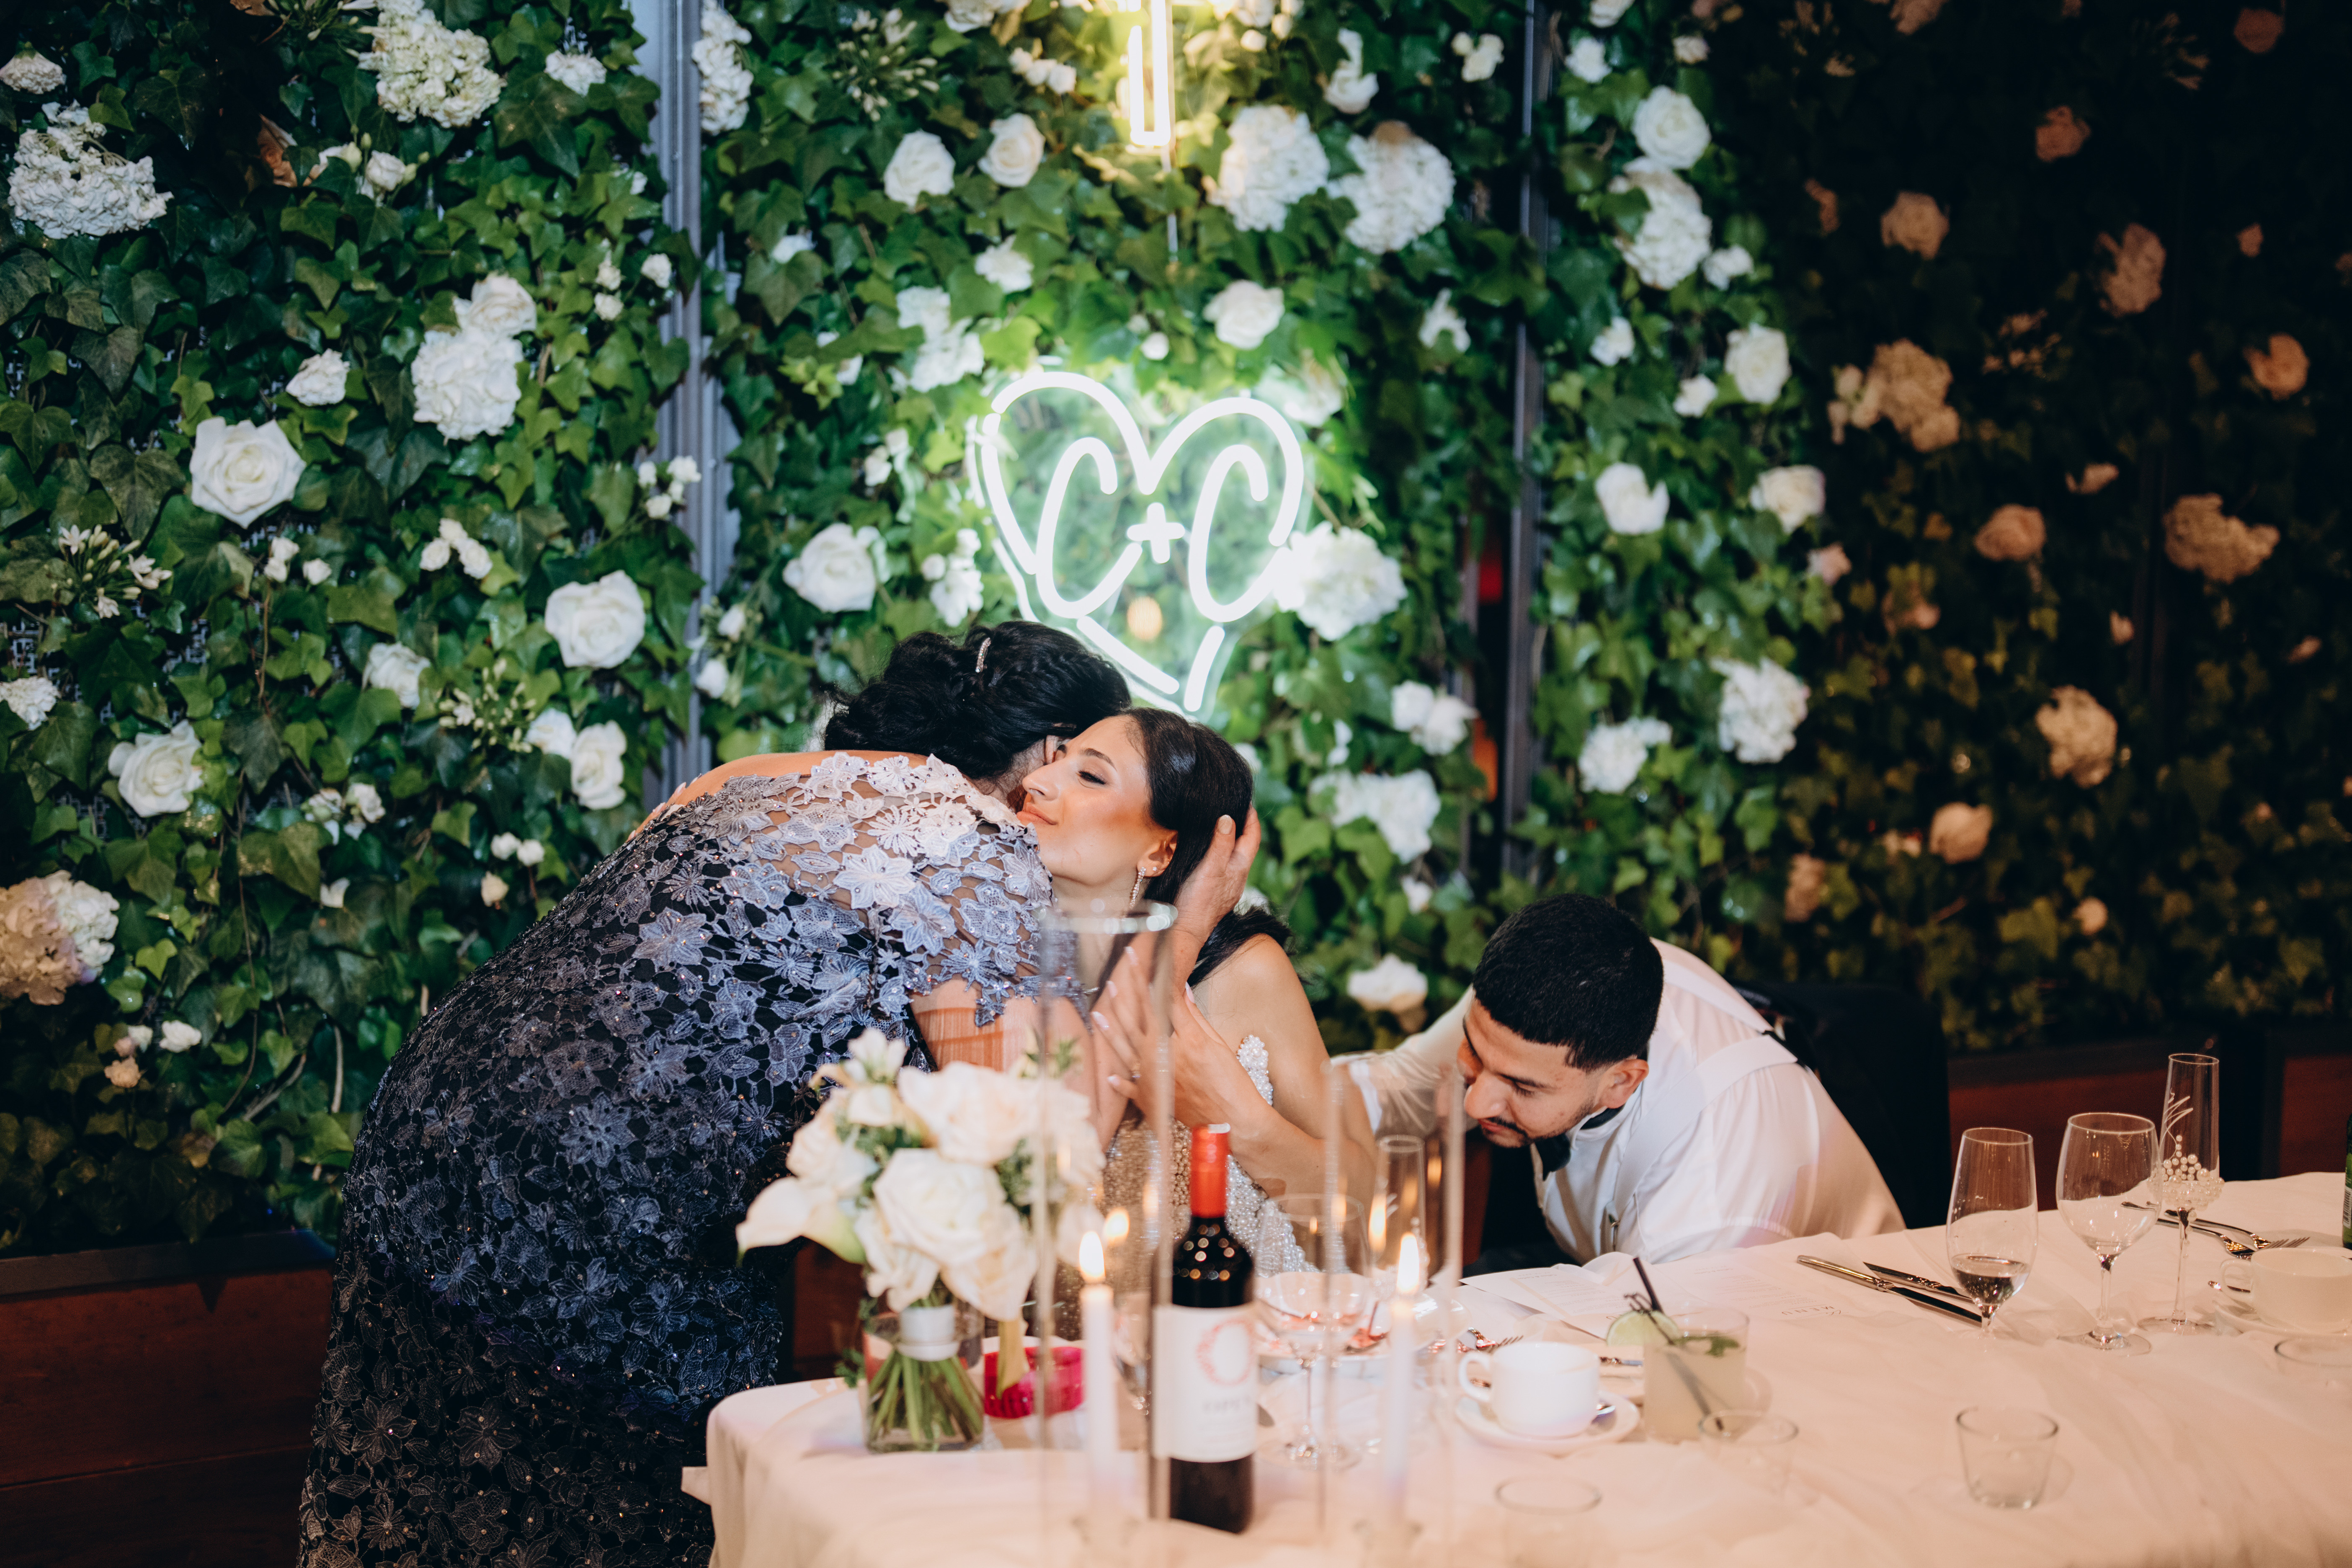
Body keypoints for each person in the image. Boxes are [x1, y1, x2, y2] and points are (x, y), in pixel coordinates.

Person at [295, 624, 1249, 1568]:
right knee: (613, 1515)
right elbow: (1045, 1152)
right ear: (1044, 754)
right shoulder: (976, 843)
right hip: (598, 1215)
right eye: (1076, 763)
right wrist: (1182, 929)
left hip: (425, 1127)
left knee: (412, 1491)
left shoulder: (755, 775)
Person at [1357, 893, 1903, 1269]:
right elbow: (1403, 1083)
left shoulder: (1708, 1200)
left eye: (1523, 1088)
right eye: (1474, 1054)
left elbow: (1655, 1363)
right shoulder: (1553, 986)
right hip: (1600, 1267)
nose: (1476, 1103)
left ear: (1621, 1081)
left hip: (1789, 1321)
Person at [1016, 708, 1332, 1266]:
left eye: (1090, 776)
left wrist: (1240, 1117)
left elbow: (1358, 1193)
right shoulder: (1006, 966)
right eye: (1055, 760)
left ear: (1160, 851)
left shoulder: (1246, 972)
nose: (1036, 781)